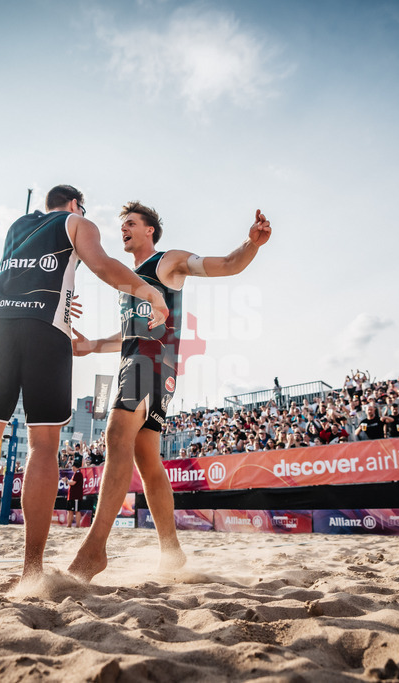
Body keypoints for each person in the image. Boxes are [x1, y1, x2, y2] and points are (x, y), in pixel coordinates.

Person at [0, 185, 169, 586]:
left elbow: (14, 279)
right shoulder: (76, 221)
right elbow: (101, 265)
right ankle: (31, 569)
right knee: (43, 446)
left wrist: (62, 299)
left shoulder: (16, 227)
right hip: (45, 330)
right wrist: (147, 290)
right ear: (74, 205)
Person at [68, 202, 272, 582]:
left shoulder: (168, 262)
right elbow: (130, 333)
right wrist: (93, 345)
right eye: (122, 225)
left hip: (152, 363)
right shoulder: (130, 281)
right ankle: (172, 552)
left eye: (130, 223)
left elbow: (228, 264)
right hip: (142, 361)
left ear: (150, 230)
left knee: (116, 436)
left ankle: (94, 549)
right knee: (146, 457)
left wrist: (252, 243)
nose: (123, 229)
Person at [62, 458, 86, 528]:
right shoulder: (75, 474)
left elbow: (72, 483)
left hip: (76, 496)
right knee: (69, 511)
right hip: (72, 495)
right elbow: (71, 483)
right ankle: (69, 525)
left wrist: (66, 481)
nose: (71, 468)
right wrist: (67, 481)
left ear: (74, 466)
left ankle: (77, 525)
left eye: (72, 466)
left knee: (76, 510)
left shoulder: (78, 473)